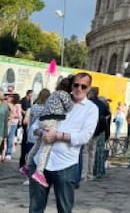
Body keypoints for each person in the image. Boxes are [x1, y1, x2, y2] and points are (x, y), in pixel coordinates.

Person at [27, 71, 99, 213]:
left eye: (83, 87)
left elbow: (84, 137)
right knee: (35, 208)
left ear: (89, 88)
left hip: (65, 164)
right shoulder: (56, 100)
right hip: (41, 163)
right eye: (76, 85)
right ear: (71, 85)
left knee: (64, 209)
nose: (79, 89)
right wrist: (42, 133)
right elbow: (33, 128)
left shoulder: (91, 109)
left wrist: (58, 135)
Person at [23, 77, 74, 186]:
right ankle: (39, 172)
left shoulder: (54, 94)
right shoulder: (64, 94)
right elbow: (70, 108)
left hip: (43, 120)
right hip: (52, 120)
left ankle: (27, 166)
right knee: (46, 147)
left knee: (37, 144)